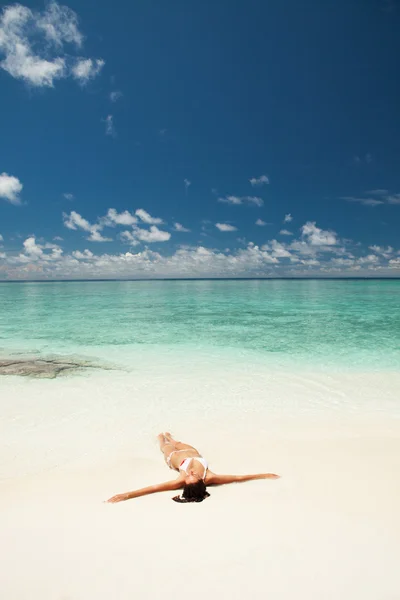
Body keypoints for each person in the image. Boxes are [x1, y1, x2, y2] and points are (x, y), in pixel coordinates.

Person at [107, 432, 280, 504]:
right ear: (201, 481)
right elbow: (239, 478)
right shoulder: (210, 477)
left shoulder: (181, 480)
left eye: (188, 477)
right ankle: (169, 437)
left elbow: (152, 488)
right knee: (175, 441)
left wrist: (126, 495)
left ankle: (162, 438)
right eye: (193, 476)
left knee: (164, 445)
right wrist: (264, 475)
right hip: (190, 450)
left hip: (172, 458)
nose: (190, 473)